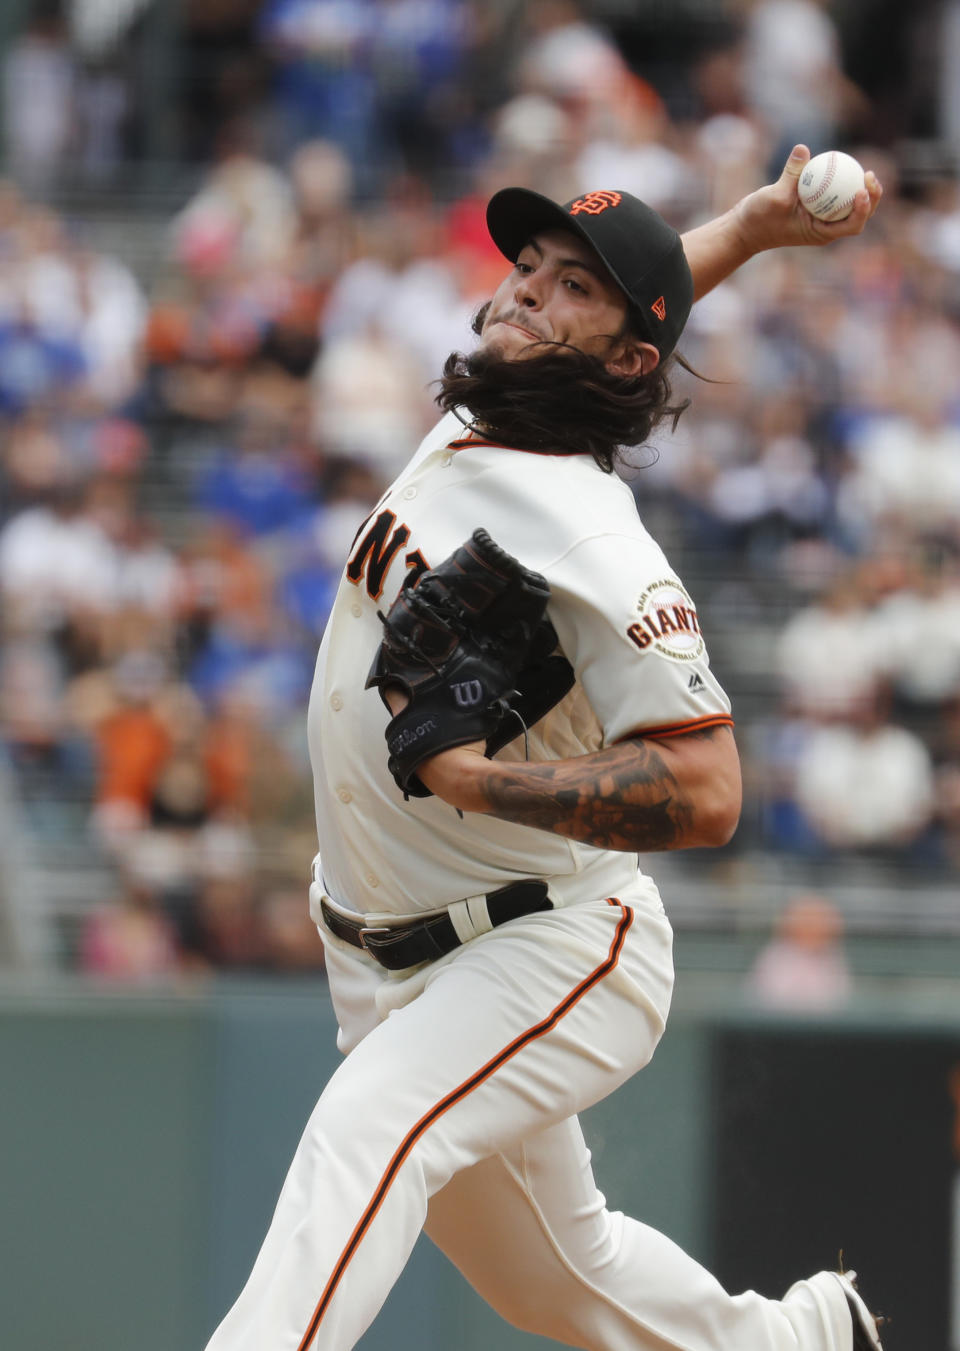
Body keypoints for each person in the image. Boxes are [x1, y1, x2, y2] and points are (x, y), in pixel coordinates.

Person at [204, 147, 884, 1351]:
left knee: (367, 1133)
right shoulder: (486, 407)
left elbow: (710, 789)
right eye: (529, 264)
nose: (525, 290)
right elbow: (638, 313)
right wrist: (753, 227)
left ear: (623, 357)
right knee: (560, 1282)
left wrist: (482, 779)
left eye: (572, 286)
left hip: (552, 939)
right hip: (384, 945)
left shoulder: (592, 533)